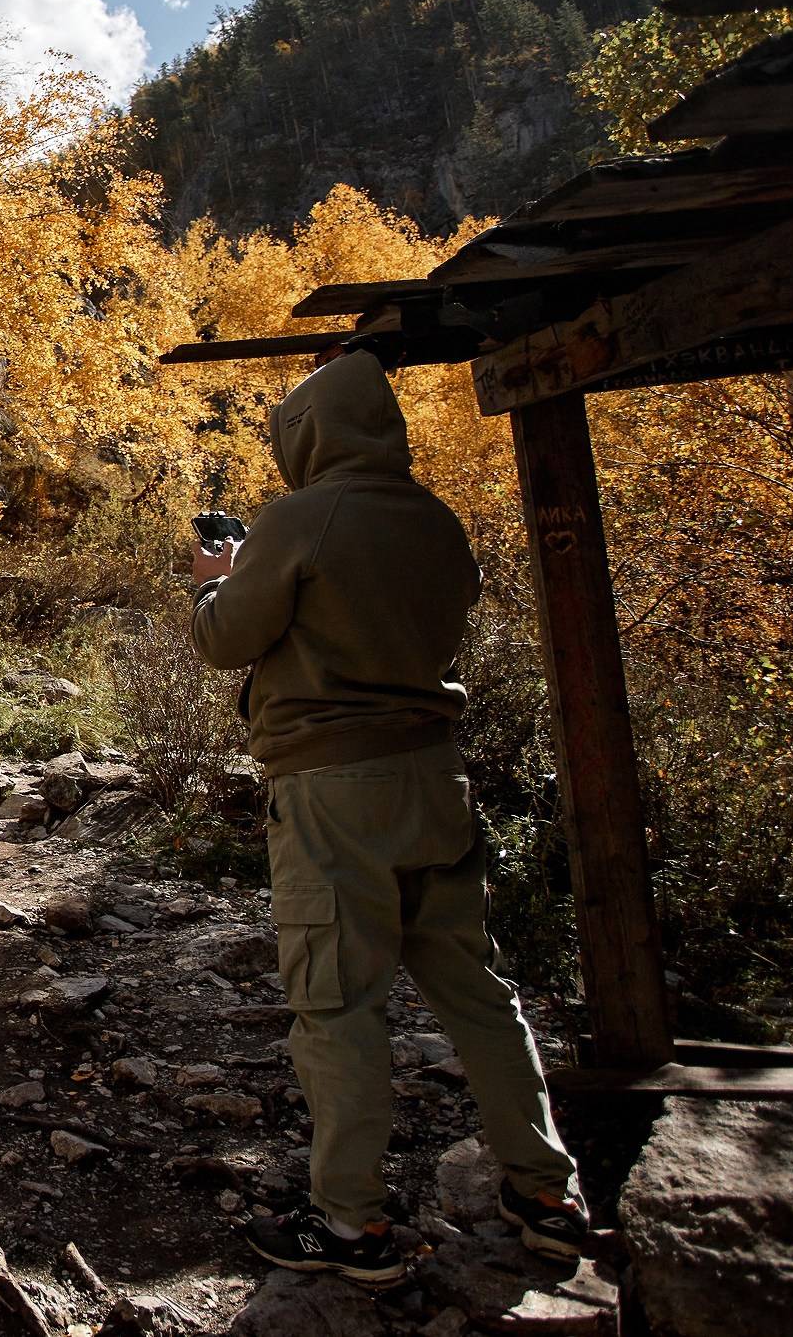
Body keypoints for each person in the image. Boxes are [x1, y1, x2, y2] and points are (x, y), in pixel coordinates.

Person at [190, 349, 589, 1287]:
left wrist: (215, 576)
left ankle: (351, 1223)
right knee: (478, 991)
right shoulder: (439, 523)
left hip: (334, 793)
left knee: (338, 1004)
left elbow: (223, 638)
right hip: (433, 779)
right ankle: (546, 1192)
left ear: (310, 432)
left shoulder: (299, 516)